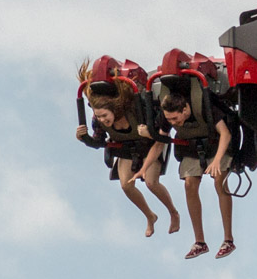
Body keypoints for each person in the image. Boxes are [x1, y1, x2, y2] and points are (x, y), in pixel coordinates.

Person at [76, 62, 182, 238]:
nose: (102, 119)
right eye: (98, 116)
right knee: (126, 185)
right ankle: (150, 216)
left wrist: (149, 133)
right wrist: (84, 138)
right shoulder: (99, 122)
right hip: (126, 149)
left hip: (148, 146)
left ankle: (173, 212)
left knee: (151, 183)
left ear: (114, 109)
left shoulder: (135, 110)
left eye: (104, 115)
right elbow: (99, 142)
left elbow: (160, 131)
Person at [146, 91, 235, 259]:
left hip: (216, 146)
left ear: (185, 109)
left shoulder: (204, 106)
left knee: (219, 181)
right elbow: (160, 142)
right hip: (192, 148)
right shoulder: (168, 116)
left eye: (175, 119)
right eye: (170, 120)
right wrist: (144, 168)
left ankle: (228, 239)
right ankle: (200, 242)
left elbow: (225, 133)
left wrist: (216, 161)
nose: (173, 123)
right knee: (189, 185)